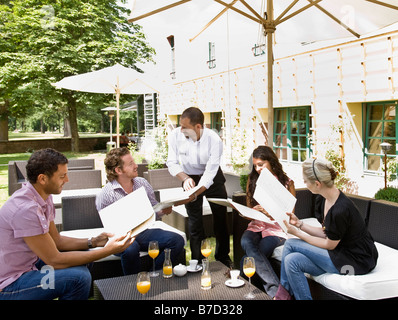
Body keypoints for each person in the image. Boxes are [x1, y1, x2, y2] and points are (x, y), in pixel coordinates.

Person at [0, 148, 134, 300]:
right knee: (79, 278)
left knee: (83, 260)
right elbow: (54, 260)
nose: (67, 180)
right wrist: (108, 250)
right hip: (10, 284)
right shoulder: (25, 210)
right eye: (62, 176)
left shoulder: (43, 197)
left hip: (31, 266)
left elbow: (57, 241)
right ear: (42, 179)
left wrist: (93, 242)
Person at [275, 158, 378, 300]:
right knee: (291, 261)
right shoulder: (324, 199)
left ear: (317, 184)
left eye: (305, 181)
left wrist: (297, 233)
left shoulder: (341, 209)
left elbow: (329, 244)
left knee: (291, 244)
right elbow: (327, 233)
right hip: (339, 253)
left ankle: (281, 296)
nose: (304, 183)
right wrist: (300, 224)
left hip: (354, 260)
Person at [96, 147, 185, 275]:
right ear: (118, 170)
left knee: (177, 240)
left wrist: (163, 210)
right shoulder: (106, 194)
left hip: (143, 232)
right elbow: (109, 228)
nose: (136, 166)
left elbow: (154, 209)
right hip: (121, 237)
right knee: (131, 248)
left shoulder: (141, 183)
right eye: (131, 164)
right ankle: (133, 285)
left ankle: (155, 274)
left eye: (134, 162)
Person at [167, 107, 232, 266]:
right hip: (188, 176)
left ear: (198, 126)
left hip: (212, 177)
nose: (180, 130)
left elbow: (209, 174)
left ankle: (223, 257)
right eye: (180, 125)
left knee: (220, 220)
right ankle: (197, 260)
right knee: (195, 222)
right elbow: (172, 162)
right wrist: (184, 178)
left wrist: (196, 193)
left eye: (185, 127)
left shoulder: (214, 140)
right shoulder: (175, 135)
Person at [240, 146, 295, 298]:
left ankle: (269, 290)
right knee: (245, 241)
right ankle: (279, 292)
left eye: (261, 164)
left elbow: (290, 217)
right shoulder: (252, 180)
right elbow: (249, 210)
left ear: (271, 162)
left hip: (276, 228)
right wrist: (253, 211)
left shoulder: (288, 183)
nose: (257, 168)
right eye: (255, 165)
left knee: (252, 256)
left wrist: (270, 211)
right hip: (257, 224)